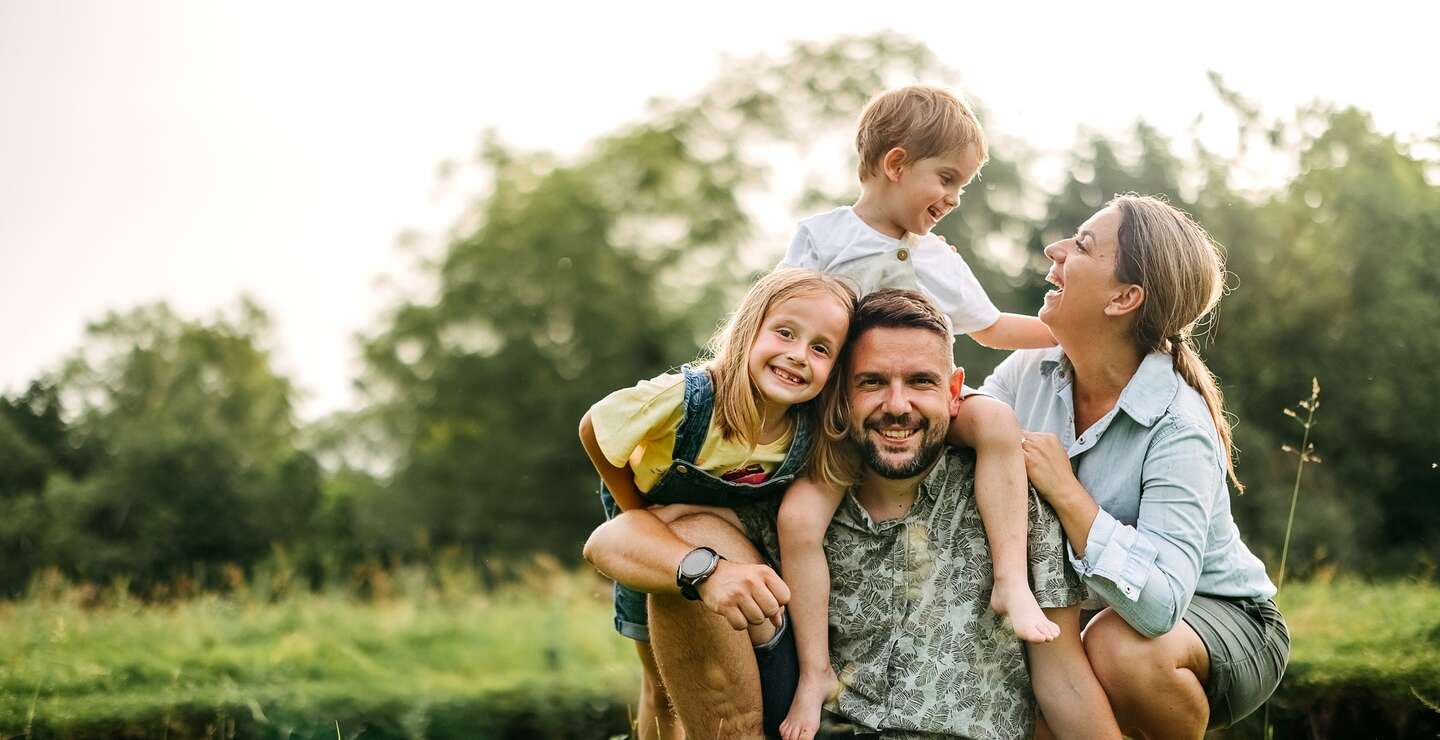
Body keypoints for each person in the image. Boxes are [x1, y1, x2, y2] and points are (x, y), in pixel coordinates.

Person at [585, 289, 1122, 740]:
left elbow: (1064, 682)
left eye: (921, 382)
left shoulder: (1013, 504)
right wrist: (708, 571)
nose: (897, 405)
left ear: (955, 391)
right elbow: (612, 541)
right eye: (872, 382)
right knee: (688, 557)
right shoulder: (784, 495)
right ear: (840, 395)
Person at [776, 85, 1057, 740]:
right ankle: (815, 672)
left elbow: (992, 328)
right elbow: (778, 319)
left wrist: (1071, 332)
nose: (954, 198)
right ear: (896, 164)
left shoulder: (938, 259)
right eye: (947, 179)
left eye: (963, 186)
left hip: (926, 408)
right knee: (797, 521)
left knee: (995, 422)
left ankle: (1010, 582)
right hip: (843, 417)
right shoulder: (822, 238)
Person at [977, 194, 1290, 735]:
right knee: (1034, 693)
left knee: (1117, 649)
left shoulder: (1178, 425)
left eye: (1082, 246)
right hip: (1093, 617)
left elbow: (1162, 603)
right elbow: (973, 427)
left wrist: (1068, 494)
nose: (1055, 251)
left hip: (1221, 616)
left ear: (1124, 297)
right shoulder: (1031, 368)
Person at [578, 268, 855, 740]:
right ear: (750, 329)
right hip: (651, 540)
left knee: (701, 683)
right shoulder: (687, 398)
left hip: (725, 542)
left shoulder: (806, 430)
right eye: (785, 333)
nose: (798, 355)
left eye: (820, 348)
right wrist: (636, 512)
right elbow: (594, 427)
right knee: (659, 685)